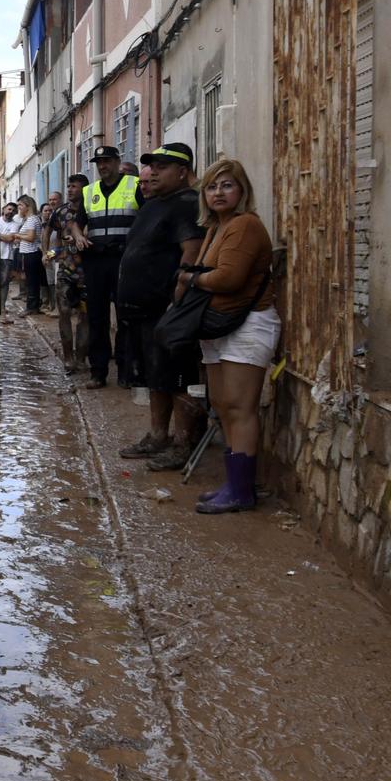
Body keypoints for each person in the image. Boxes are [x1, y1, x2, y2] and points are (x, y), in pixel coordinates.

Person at [181, 158, 279, 514]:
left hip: (247, 324)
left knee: (240, 407)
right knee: (223, 404)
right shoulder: (214, 228)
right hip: (219, 326)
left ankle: (241, 491)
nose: (218, 193)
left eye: (226, 185)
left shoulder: (244, 226)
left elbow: (227, 279)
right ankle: (233, 482)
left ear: (242, 191)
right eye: (211, 187)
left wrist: (191, 279)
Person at [114, 142, 207, 470]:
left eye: (162, 166)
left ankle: (183, 444)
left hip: (165, 310)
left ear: (182, 171)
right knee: (156, 376)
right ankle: (157, 436)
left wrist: (177, 303)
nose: (153, 172)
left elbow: (191, 253)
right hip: (141, 309)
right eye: (152, 166)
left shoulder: (187, 203)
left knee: (175, 377)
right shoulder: (155, 203)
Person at [75, 144, 139, 389]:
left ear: (116, 162)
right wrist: (79, 235)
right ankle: (98, 372)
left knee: (125, 317)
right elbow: (76, 222)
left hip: (125, 260)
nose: (102, 166)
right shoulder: (90, 191)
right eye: (99, 163)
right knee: (97, 318)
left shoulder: (133, 186)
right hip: (96, 261)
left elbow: (144, 219)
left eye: (107, 161)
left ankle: (125, 371)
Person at [43, 175, 89, 369]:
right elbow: (47, 231)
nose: (70, 190)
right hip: (65, 269)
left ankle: (81, 358)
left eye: (74, 187)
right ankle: (68, 357)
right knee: (63, 312)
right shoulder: (61, 212)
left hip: (88, 270)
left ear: (84, 189)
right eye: (68, 186)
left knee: (84, 315)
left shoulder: (91, 209)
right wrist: (46, 253)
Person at [15, 195, 44, 314]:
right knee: (30, 280)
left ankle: (32, 307)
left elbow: (31, 237)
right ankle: (32, 305)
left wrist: (18, 236)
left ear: (27, 206)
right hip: (28, 253)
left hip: (32, 254)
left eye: (20, 205)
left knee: (32, 281)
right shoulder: (28, 220)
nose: (19, 208)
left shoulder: (32, 219)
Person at [0, 201, 20, 315]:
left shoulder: (15, 224)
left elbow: (10, 239)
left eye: (14, 211)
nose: (11, 212)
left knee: (4, 282)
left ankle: (2, 306)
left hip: (6, 256)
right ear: (4, 209)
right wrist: (3, 236)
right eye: (9, 209)